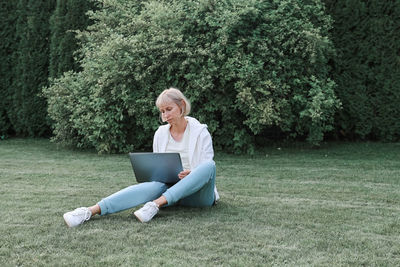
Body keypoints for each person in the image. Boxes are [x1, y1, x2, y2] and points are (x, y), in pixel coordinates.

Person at [63, 88, 219, 227]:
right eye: (162, 111)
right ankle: (88, 211)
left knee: (209, 166)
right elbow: (160, 168)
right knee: (152, 186)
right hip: (169, 192)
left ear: (182, 106)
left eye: (169, 109)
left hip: (197, 195)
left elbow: (205, 168)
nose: (165, 115)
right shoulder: (160, 134)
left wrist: (191, 173)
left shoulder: (200, 132)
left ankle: (154, 205)